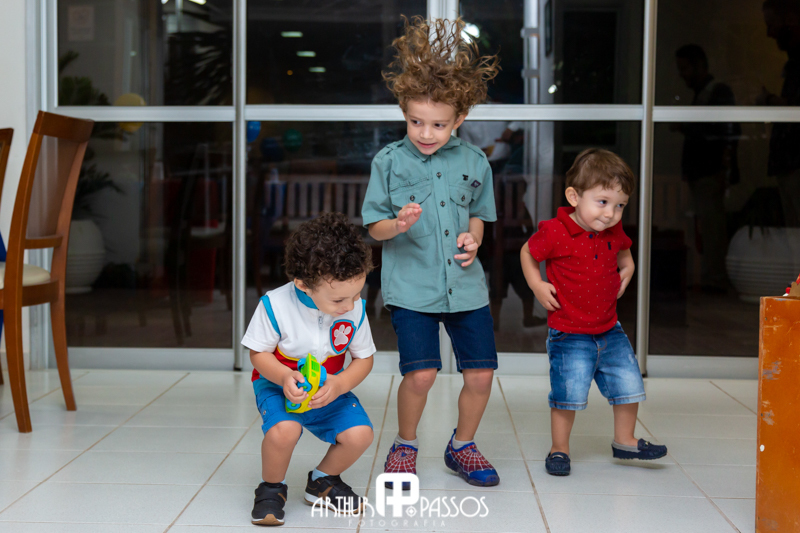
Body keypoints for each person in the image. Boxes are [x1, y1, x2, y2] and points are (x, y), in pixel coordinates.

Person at [361, 16, 502, 487]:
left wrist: (474, 238)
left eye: (439, 124)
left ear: (458, 120)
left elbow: (479, 214)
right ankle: (405, 444)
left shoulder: (475, 161)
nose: (426, 132)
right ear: (404, 111)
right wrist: (398, 224)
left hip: (466, 287)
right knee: (420, 375)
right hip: (412, 289)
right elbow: (375, 227)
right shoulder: (388, 162)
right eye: (416, 121)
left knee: (480, 375)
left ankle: (463, 446)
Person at [520, 149, 668, 476]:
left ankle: (625, 440)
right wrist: (536, 284)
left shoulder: (612, 230)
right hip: (569, 333)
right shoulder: (556, 231)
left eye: (620, 205)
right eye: (602, 202)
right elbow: (527, 252)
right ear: (574, 197)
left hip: (610, 329)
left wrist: (628, 268)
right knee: (567, 395)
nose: (611, 213)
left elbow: (624, 251)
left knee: (629, 386)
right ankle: (559, 449)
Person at [242, 212, 376, 525]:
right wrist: (283, 376)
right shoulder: (275, 305)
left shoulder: (354, 308)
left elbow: (364, 359)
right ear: (303, 284)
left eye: (357, 294)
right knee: (285, 430)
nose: (350, 306)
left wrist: (340, 385)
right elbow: (258, 354)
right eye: (339, 300)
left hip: (329, 387)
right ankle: (271, 487)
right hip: (277, 384)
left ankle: (322, 481)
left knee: (360, 434)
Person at [673, 44, 740, 293]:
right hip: (701, 173)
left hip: (710, 173)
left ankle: (717, 278)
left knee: (713, 227)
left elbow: (726, 133)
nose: (682, 75)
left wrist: (724, 170)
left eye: (685, 68)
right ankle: (712, 276)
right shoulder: (703, 93)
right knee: (706, 226)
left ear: (700, 66)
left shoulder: (717, 92)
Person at [760, 0, 800, 226]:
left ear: (791, 19)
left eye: (771, 24)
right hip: (788, 164)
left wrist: (770, 101)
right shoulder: (793, 62)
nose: (769, 33)